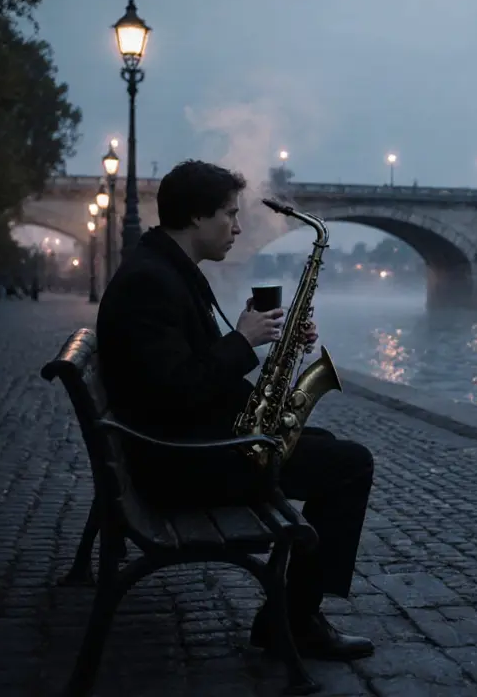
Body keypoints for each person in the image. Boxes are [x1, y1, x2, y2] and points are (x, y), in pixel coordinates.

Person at [96, 159, 376, 661]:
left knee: (329, 449)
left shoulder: (165, 270)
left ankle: (294, 612)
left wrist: (275, 346)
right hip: (175, 464)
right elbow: (176, 390)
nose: (238, 227)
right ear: (197, 218)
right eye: (229, 215)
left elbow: (186, 375)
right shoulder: (151, 283)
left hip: (180, 444)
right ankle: (294, 621)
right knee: (350, 465)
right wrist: (243, 342)